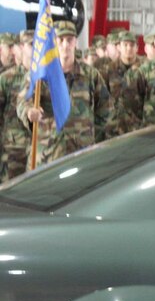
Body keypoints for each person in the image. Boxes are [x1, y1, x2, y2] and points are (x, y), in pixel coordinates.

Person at [17, 21, 110, 166]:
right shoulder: (39, 74)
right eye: (60, 40)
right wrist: (29, 112)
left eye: (69, 40)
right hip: (48, 154)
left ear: (75, 43)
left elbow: (106, 108)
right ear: (53, 42)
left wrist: (87, 132)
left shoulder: (90, 75)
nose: (65, 45)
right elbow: (23, 101)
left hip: (82, 155)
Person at [0, 30, 33, 181]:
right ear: (21, 47)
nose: (36, 49)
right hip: (14, 150)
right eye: (31, 45)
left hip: (41, 150)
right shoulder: (7, 78)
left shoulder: (46, 78)